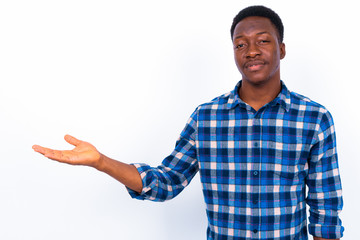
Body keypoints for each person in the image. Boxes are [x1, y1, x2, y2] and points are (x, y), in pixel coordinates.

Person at [32, 5, 344, 240]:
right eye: (240, 44)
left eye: (263, 41)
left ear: (282, 49)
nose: (251, 51)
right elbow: (166, 182)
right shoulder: (206, 117)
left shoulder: (314, 118)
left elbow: (325, 208)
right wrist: (100, 161)